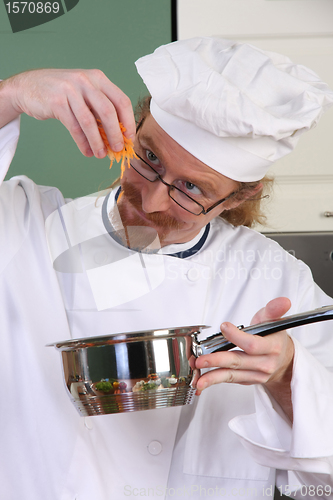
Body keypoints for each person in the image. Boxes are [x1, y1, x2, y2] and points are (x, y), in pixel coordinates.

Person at [0, 37, 333, 500]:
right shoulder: (27, 227)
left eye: (191, 188)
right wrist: (9, 95)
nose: (151, 199)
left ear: (237, 197)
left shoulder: (275, 280)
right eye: (149, 158)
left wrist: (287, 377)